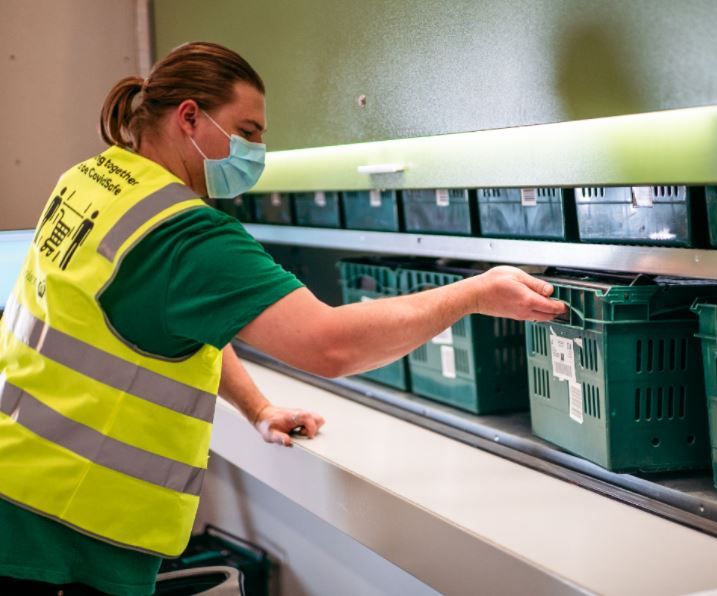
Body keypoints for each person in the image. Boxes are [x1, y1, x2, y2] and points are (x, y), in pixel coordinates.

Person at [0, 41, 565, 595]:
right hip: (61, 533)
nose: (257, 151)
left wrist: (259, 406)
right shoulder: (184, 234)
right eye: (246, 132)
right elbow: (330, 346)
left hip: (21, 484)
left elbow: (173, 323)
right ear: (190, 118)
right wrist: (470, 294)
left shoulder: (94, 180)